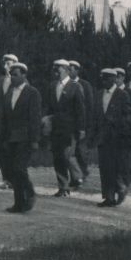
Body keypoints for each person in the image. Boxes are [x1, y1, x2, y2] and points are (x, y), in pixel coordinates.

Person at [0, 62, 41, 213]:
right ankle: (18, 203)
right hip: (10, 138)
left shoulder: (32, 92)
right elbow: (4, 117)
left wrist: (34, 140)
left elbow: (35, 118)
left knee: (19, 168)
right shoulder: (9, 92)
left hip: (25, 137)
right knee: (12, 170)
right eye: (11, 75)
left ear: (24, 75)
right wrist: (2, 137)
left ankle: (30, 193)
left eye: (15, 75)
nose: (13, 78)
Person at [89, 68, 131, 207]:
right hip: (102, 137)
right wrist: (92, 135)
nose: (103, 81)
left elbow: (128, 116)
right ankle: (109, 197)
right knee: (104, 167)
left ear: (113, 79)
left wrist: (116, 122)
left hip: (118, 137)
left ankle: (121, 188)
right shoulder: (99, 94)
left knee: (117, 166)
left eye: (106, 79)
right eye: (102, 79)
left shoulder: (122, 95)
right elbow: (95, 117)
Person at [45, 59, 86, 197]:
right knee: (57, 157)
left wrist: (81, 129)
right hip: (56, 128)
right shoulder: (52, 86)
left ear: (67, 70)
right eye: (54, 68)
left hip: (70, 128)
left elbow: (80, 110)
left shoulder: (75, 86)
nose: (56, 71)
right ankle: (63, 187)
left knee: (66, 155)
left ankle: (78, 175)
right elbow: (50, 107)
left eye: (59, 68)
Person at [0, 53, 18, 189]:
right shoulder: (0, 80)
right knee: (2, 149)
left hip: (14, 122)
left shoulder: (20, 80)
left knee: (13, 150)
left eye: (10, 63)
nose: (7, 66)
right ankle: (6, 179)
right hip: (1, 121)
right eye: (5, 63)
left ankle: (14, 179)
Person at [68, 59, 95, 182]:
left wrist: (86, 126)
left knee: (79, 150)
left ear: (77, 71)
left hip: (82, 123)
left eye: (71, 69)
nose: (69, 71)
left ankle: (82, 173)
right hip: (69, 124)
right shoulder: (65, 85)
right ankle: (76, 176)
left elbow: (89, 106)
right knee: (70, 151)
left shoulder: (85, 85)